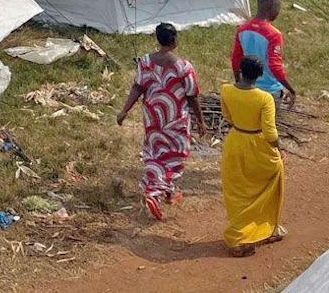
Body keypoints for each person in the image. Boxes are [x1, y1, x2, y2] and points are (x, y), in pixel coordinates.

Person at [118, 22, 204, 221]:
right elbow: (192, 96)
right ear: (174, 41)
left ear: (157, 39)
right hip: (176, 119)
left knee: (156, 152)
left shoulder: (145, 62)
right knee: (175, 154)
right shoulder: (184, 67)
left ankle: (168, 190)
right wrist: (200, 121)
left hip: (153, 116)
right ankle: (155, 192)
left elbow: (137, 87)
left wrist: (124, 111)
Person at [221, 56, 286, 257]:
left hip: (235, 142)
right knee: (272, 182)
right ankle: (265, 229)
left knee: (239, 193)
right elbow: (270, 133)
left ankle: (240, 237)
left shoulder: (226, 90)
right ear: (259, 75)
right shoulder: (264, 98)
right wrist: (278, 148)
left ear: (240, 71)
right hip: (258, 147)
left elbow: (227, 116)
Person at [231, 0, 296, 106]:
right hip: (269, 90)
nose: (278, 12)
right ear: (270, 9)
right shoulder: (274, 34)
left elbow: (236, 59)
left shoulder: (242, 29)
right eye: (278, 8)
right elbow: (275, 66)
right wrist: (291, 89)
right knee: (268, 123)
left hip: (249, 87)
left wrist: (239, 82)